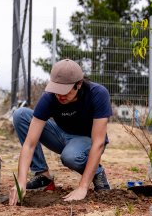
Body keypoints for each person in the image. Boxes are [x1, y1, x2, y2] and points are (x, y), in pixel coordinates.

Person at [9, 59, 112, 205]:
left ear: (79, 84)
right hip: (60, 135)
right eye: (56, 90)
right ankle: (42, 175)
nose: (60, 95)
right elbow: (29, 144)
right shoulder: (49, 97)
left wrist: (83, 187)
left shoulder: (97, 94)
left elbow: (98, 143)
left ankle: (97, 173)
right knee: (21, 115)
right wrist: (20, 182)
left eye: (65, 91)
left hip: (86, 141)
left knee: (70, 156)